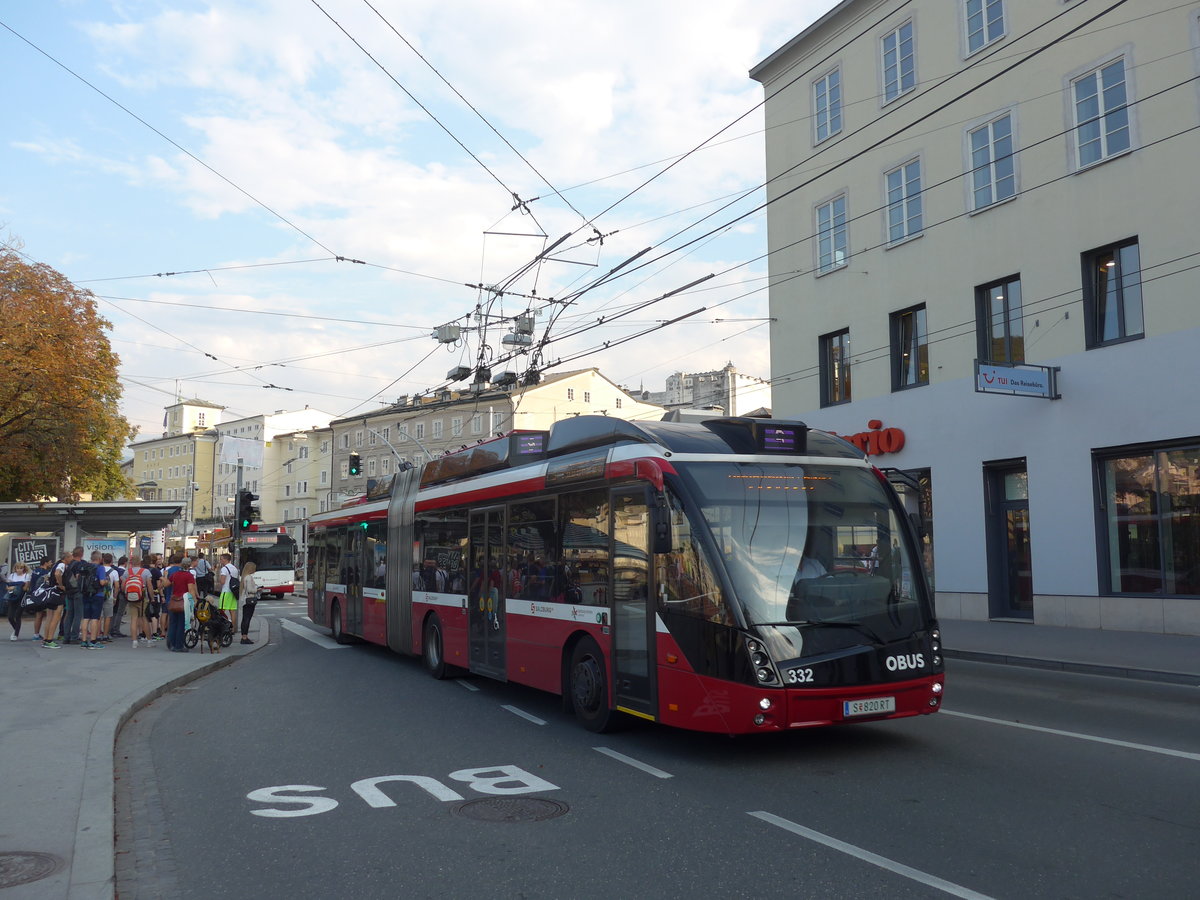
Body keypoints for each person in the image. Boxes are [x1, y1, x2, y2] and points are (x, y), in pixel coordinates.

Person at [78, 551, 111, 650]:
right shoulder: (100, 568)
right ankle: (93, 641)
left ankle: (84, 641)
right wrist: (106, 581)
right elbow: (101, 582)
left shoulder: (84, 567)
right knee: (95, 618)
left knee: (85, 618)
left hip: (85, 594)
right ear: (100, 559)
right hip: (97, 594)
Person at [165, 557, 197, 652]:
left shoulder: (175, 574)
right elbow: (191, 590)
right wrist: (194, 600)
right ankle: (179, 646)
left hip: (174, 601)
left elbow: (167, 584)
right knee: (181, 623)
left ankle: (171, 644)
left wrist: (165, 576)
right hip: (184, 602)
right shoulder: (189, 576)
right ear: (189, 565)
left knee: (173, 623)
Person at [122, 555, 152, 649]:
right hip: (142, 598)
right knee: (144, 618)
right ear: (140, 562)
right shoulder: (146, 572)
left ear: (131, 563)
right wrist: (152, 597)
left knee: (134, 619)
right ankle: (149, 641)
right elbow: (149, 586)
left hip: (131, 598)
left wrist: (127, 594)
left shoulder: (127, 572)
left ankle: (134, 641)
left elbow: (123, 586)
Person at [63, 545, 86, 644]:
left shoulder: (69, 564)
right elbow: (78, 577)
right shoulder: (79, 564)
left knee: (69, 615)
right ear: (81, 554)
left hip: (69, 592)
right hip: (77, 591)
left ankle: (66, 637)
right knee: (78, 615)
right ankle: (74, 637)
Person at [5, 563, 31, 640]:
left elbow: (25, 588)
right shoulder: (12, 575)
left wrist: (14, 587)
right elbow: (7, 587)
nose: (19, 570)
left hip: (21, 598)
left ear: (24, 569)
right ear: (15, 568)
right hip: (12, 597)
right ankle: (16, 629)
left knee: (17, 615)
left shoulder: (26, 576)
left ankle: (16, 634)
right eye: (17, 568)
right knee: (10, 616)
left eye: (21, 568)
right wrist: (16, 587)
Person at [217, 553, 239, 633]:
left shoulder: (224, 569)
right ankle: (233, 629)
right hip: (233, 592)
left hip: (226, 592)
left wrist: (219, 581)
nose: (220, 560)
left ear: (225, 559)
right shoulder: (234, 568)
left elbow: (222, 581)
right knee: (232, 611)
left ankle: (222, 628)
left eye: (221, 559)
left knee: (221, 611)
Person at [239, 561, 259, 645]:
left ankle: (243, 636)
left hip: (244, 601)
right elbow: (250, 590)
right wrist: (257, 589)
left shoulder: (244, 577)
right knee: (247, 618)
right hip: (249, 600)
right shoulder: (249, 577)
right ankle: (244, 637)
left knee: (244, 618)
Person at [109, 555, 129, 638]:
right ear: (125, 563)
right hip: (122, 593)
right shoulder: (124, 572)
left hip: (114, 593)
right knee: (119, 612)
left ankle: (111, 628)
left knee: (114, 611)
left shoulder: (115, 570)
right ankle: (116, 629)